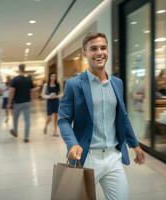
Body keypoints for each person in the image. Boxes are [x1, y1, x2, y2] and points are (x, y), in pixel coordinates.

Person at [58, 32, 145, 200]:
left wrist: (135, 145)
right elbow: (64, 120)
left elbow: (123, 117)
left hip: (114, 157)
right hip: (87, 157)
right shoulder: (74, 85)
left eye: (103, 48)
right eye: (93, 49)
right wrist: (72, 144)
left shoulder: (117, 83)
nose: (99, 52)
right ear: (85, 54)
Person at [8, 64, 34, 143]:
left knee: (15, 118)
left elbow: (12, 91)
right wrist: (31, 99)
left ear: (18, 69)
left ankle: (15, 131)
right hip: (27, 102)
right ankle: (26, 137)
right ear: (24, 69)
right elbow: (31, 91)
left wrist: (9, 103)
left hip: (17, 103)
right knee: (27, 120)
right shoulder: (28, 80)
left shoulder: (15, 80)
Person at [42, 73, 61, 137]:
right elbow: (42, 95)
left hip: (56, 101)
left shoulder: (57, 85)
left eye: (54, 76)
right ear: (50, 77)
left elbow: (61, 94)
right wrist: (49, 96)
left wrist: (57, 96)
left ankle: (55, 131)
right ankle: (46, 126)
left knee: (56, 117)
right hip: (49, 102)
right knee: (49, 117)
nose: (53, 77)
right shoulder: (46, 85)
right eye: (52, 76)